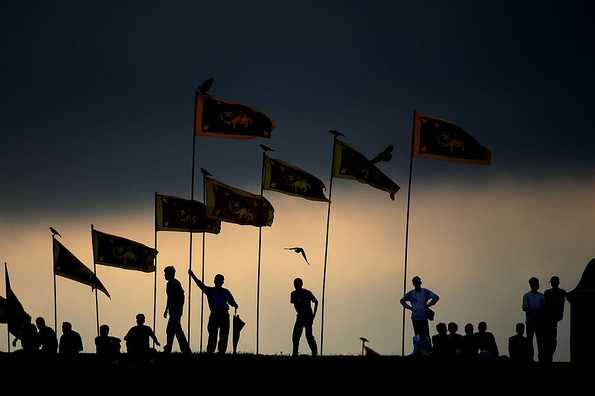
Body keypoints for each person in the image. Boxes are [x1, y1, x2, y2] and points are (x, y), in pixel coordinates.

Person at [189, 270, 238, 354]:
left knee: (219, 335)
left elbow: (232, 302)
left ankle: (217, 351)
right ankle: (215, 351)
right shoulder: (217, 291)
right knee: (216, 335)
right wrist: (192, 275)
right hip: (218, 315)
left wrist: (234, 304)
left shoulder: (215, 291)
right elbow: (232, 302)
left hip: (220, 315)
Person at [400, 276, 439, 355]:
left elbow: (436, 297)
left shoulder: (425, 292)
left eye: (417, 282)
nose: (417, 284)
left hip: (423, 316)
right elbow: (402, 300)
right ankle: (418, 349)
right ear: (414, 284)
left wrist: (428, 305)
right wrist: (410, 308)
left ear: (420, 283)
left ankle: (427, 349)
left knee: (425, 334)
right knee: (418, 334)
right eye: (415, 282)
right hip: (415, 316)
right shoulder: (411, 293)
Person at [162, 266, 191, 354]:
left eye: (166, 273)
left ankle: (173, 348)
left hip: (175, 311)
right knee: (174, 330)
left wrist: (178, 309)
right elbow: (169, 298)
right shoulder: (171, 283)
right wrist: (166, 309)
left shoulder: (174, 283)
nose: (164, 275)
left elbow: (181, 297)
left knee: (173, 330)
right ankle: (181, 349)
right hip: (173, 311)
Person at [290, 278, 318, 356]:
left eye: (297, 284)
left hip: (308, 316)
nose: (296, 286)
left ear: (301, 284)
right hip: (300, 317)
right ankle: (295, 353)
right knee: (295, 336)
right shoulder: (293, 294)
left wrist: (313, 315)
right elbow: (295, 304)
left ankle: (314, 353)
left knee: (308, 336)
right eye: (295, 284)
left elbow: (316, 301)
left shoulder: (307, 293)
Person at [543, 276, 566, 363]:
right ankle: (548, 357)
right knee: (548, 340)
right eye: (552, 282)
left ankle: (549, 356)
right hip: (547, 319)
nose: (553, 283)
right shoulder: (547, 293)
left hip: (554, 319)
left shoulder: (561, 292)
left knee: (552, 340)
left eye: (554, 282)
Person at [522, 277, 546, 362]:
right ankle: (530, 357)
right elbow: (525, 308)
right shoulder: (526, 296)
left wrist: (536, 313)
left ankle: (541, 357)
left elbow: (544, 308)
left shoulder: (541, 296)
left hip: (539, 322)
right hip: (530, 321)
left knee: (540, 341)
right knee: (530, 340)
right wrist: (536, 313)